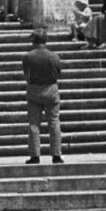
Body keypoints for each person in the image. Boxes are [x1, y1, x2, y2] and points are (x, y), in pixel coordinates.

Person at [22, 27, 64, 164]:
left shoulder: (28, 56)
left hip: (34, 90)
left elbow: (26, 73)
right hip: (51, 90)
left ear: (33, 40)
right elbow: (58, 73)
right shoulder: (54, 56)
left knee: (34, 124)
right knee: (54, 122)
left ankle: (35, 155)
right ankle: (56, 155)